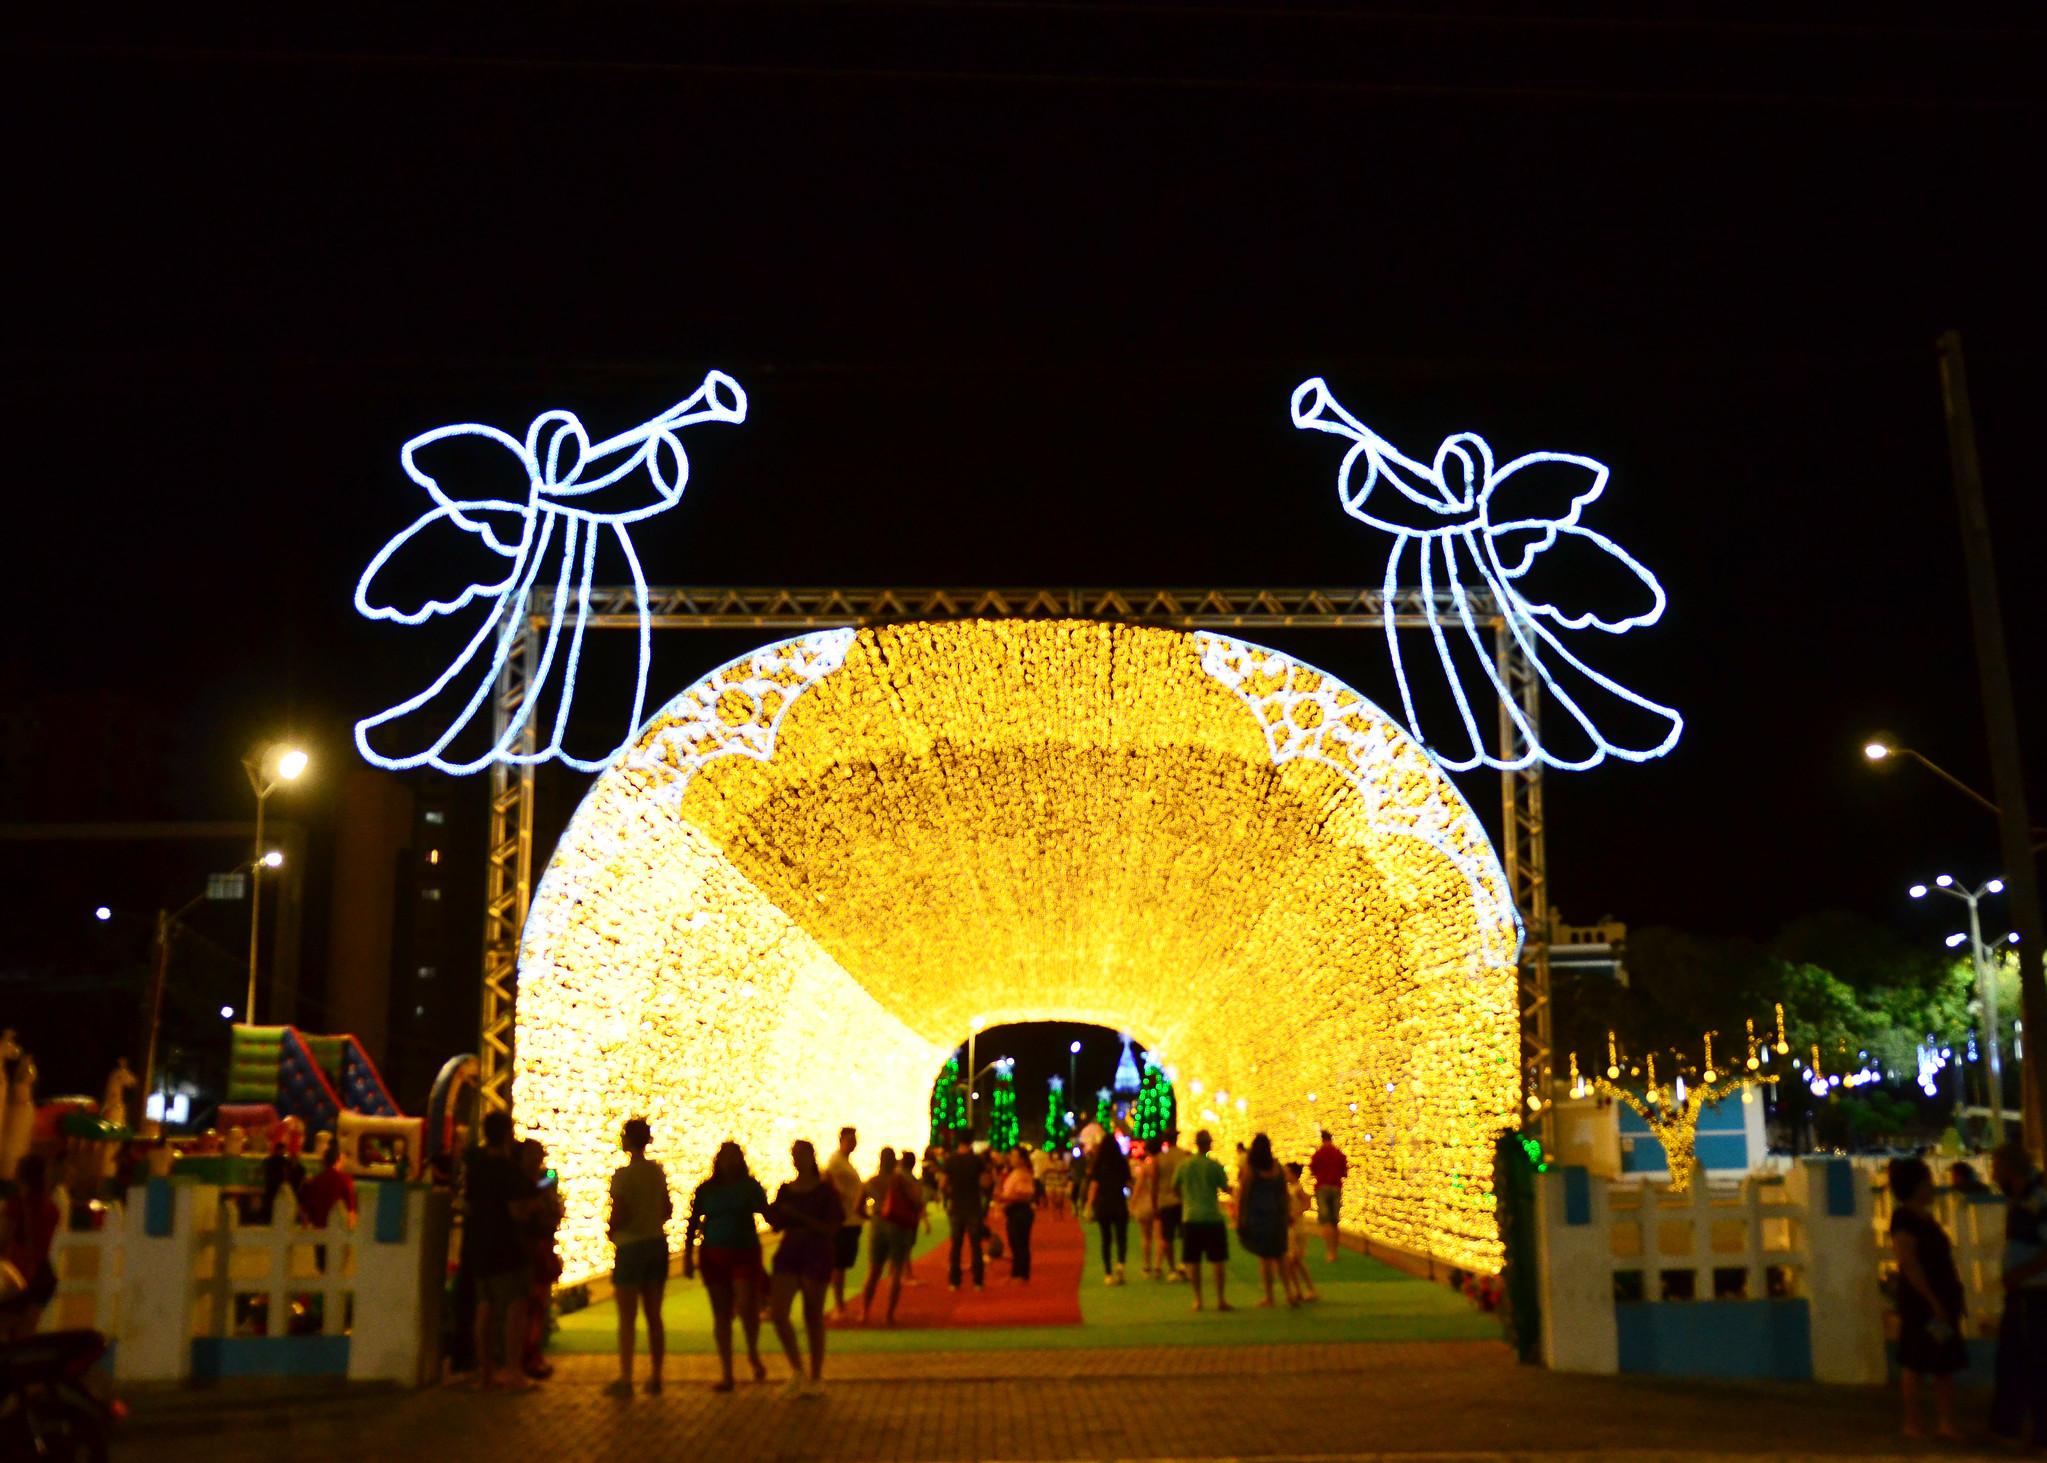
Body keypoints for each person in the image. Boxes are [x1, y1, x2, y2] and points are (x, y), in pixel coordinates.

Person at [1887, 1157, 1964, 1439]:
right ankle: (1914, 1423)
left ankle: (1945, 1422)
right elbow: (1908, 1263)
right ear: (1917, 1185)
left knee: (1943, 1362)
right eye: (1927, 1181)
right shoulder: (1903, 1219)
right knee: (1917, 1362)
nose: (1932, 1186)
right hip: (1923, 1302)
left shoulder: (1925, 1218)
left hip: (1939, 1297)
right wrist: (1932, 1300)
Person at [685, 1140, 771, 1392]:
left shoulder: (750, 1187)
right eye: (725, 1157)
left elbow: (766, 1211)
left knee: (747, 1306)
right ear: (718, 1161)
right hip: (714, 1254)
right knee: (721, 1314)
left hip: (744, 1251)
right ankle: (727, 1372)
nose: (729, 1162)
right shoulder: (706, 1190)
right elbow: (692, 1223)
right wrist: (689, 1257)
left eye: (734, 1157)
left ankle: (752, 1353)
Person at [465, 1110, 541, 1391]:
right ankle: (513, 1372)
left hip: (479, 1245)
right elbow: (518, 1212)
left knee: (485, 1308)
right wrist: (534, 1206)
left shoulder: (477, 1168)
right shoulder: (510, 1171)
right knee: (515, 1307)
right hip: (507, 1247)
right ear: (509, 1135)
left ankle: (485, 1374)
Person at [767, 1139, 843, 1398]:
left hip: (815, 1252)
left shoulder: (824, 1192)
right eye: (794, 1154)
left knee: (813, 1315)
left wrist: (798, 1217)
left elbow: (831, 1228)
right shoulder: (786, 1190)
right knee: (778, 1313)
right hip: (790, 1250)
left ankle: (816, 1375)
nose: (797, 1159)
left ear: (812, 1157)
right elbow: (775, 1221)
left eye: (801, 1154)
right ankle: (798, 1369)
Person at [608, 1117, 673, 1395]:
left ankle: (626, 1379)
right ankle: (656, 1376)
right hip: (655, 1244)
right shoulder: (657, 1172)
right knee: (654, 1315)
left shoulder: (622, 1176)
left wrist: (612, 1230)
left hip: (630, 1246)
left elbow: (619, 1213)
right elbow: (667, 1209)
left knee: (627, 1317)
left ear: (627, 1140)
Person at [1992, 1141, 2047, 1445]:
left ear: (2010, 1170)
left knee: (2034, 1363)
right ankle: (2007, 1428)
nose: (1992, 1175)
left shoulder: (2036, 1202)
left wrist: (2018, 1274)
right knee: (2012, 1361)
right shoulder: (2019, 1202)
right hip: (2023, 1293)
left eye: (1996, 1168)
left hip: (2034, 1294)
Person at [517, 1139, 564, 1380]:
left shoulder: (539, 1183)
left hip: (539, 1248)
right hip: (529, 1249)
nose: (538, 1159)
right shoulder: (524, 1184)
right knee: (531, 1305)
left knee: (536, 1306)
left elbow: (552, 1212)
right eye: (533, 1154)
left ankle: (531, 1354)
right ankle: (527, 1356)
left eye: (539, 1154)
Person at [0, 1155, 60, 1341]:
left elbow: (3, 1239)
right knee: (26, 1335)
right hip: (43, 1275)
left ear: (21, 1176)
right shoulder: (52, 1208)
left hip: (17, 1276)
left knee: (6, 1326)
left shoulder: (15, 1205)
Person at [860, 1147, 922, 1323]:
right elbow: (915, 1201)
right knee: (895, 1272)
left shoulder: (871, 1182)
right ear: (895, 1161)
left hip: (877, 1223)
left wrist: (872, 1218)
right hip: (897, 1225)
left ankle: (865, 1312)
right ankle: (889, 1314)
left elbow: (858, 1207)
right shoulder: (899, 1180)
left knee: (873, 1271)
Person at [1173, 1130, 1233, 1312]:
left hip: (1191, 1217)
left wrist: (1186, 1198)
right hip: (1212, 1217)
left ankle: (1198, 1299)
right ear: (1210, 1144)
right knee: (1217, 1261)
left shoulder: (1185, 1165)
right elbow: (1225, 1187)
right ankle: (1221, 1299)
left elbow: (1175, 1187)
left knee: (1193, 1261)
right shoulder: (1214, 1165)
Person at [1236, 1134, 1294, 1306]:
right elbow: (1283, 1193)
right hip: (1276, 1216)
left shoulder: (1251, 1170)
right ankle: (1289, 1294)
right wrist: (1286, 1213)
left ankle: (1270, 1297)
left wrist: (1241, 1218)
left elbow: (1244, 1195)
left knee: (1265, 1259)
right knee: (1280, 1257)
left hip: (1259, 1217)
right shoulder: (1277, 1168)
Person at [824, 1126, 864, 1319]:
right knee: (838, 1265)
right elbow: (826, 1179)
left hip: (851, 1219)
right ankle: (838, 1307)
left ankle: (841, 1306)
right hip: (844, 1221)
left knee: (842, 1265)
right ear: (841, 1140)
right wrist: (836, 1199)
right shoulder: (835, 1161)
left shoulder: (845, 1162)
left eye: (855, 1139)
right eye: (850, 1139)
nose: (854, 1143)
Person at [941, 1130, 988, 1290]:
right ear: (971, 1141)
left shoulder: (950, 1160)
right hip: (973, 1206)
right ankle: (978, 1281)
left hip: (956, 1206)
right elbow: (985, 1182)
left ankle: (954, 1281)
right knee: (976, 1245)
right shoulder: (976, 1160)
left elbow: (942, 1183)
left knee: (956, 1245)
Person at [1087, 1128, 1132, 1285]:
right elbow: (1128, 1183)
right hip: (1119, 1203)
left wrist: (1088, 1205)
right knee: (1121, 1237)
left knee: (1106, 1239)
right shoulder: (1121, 1162)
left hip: (1103, 1204)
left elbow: (1094, 1185)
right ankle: (1120, 1265)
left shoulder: (1099, 1162)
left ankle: (1108, 1273)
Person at [298, 1140, 358, 1230]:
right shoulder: (345, 1179)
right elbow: (351, 1208)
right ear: (338, 1160)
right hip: (339, 1230)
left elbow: (306, 1210)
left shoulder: (315, 1181)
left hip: (319, 1231)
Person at [998, 1148, 1037, 1282]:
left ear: (1021, 1159)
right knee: (1015, 1243)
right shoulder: (1015, 1173)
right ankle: (1017, 1273)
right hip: (1014, 1210)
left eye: (1014, 1156)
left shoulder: (1023, 1174)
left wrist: (1006, 1198)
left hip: (1020, 1210)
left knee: (1020, 1243)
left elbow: (1027, 1194)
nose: (1011, 1158)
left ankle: (1021, 1274)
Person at [1309, 1129, 1348, 1263]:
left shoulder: (1318, 1154)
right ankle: (1335, 1251)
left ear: (1322, 1139)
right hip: (1336, 1187)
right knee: (1334, 1220)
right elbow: (1345, 1172)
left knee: (1326, 1221)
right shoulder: (1338, 1154)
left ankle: (1330, 1252)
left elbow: (1312, 1171)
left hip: (1323, 1188)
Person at [1284, 1162, 1320, 1302]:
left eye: (1287, 1172)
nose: (1285, 1175)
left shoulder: (1298, 1189)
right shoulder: (1289, 1189)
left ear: (1293, 1173)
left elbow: (1307, 1203)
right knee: (1292, 1262)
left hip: (1299, 1228)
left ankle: (1310, 1289)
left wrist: (1296, 1214)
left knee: (1295, 1260)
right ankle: (1299, 1290)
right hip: (1291, 1228)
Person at [1154, 1131, 1188, 1281]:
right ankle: (1184, 1264)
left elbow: (1155, 1183)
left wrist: (1154, 1202)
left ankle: (1172, 1268)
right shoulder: (1184, 1156)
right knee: (1185, 1235)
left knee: (1167, 1237)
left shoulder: (1159, 1159)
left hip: (1165, 1201)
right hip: (1182, 1200)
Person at [1130, 1139, 1159, 1277]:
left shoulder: (1145, 1169)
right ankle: (1158, 1265)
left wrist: (1132, 1204)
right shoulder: (1160, 1167)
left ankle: (1147, 1265)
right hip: (1159, 1203)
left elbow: (1138, 1187)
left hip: (1145, 1203)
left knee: (1145, 1236)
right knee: (1159, 1236)